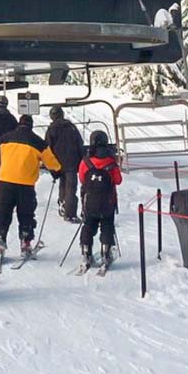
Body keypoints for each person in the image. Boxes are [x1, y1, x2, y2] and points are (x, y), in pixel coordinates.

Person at [0, 113, 62, 260]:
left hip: (5, 181)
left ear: (19, 124)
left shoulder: (4, 139)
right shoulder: (37, 142)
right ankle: (25, 242)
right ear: (31, 126)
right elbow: (51, 162)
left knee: (3, 212)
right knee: (26, 214)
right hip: (25, 184)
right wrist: (57, 171)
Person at [78, 130, 123, 271]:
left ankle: (86, 252)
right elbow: (118, 180)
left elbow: (81, 179)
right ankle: (105, 252)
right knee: (107, 226)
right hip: (107, 203)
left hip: (90, 202)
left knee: (88, 225)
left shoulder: (85, 161)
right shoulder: (111, 162)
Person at [45, 106, 84, 222]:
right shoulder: (71, 127)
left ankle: (62, 203)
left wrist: (51, 167)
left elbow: (48, 148)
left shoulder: (51, 129)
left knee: (63, 183)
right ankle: (70, 213)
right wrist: (82, 160)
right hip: (72, 162)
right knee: (71, 188)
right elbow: (79, 143)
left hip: (58, 162)